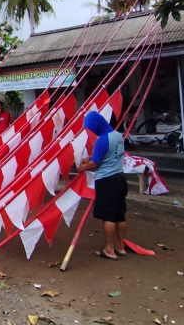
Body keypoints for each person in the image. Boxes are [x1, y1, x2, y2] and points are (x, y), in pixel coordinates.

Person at [77, 111, 127, 260]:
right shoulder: (117, 135)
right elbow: (105, 153)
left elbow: (95, 164)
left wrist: (83, 167)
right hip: (120, 179)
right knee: (120, 215)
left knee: (108, 216)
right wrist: (91, 157)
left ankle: (109, 249)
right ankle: (120, 247)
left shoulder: (102, 140)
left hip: (107, 181)